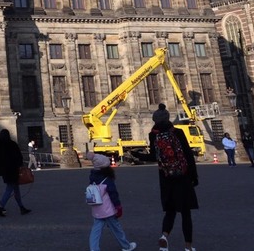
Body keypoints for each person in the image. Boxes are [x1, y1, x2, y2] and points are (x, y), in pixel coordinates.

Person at [148, 104, 198, 251]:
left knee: (170, 211)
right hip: (182, 176)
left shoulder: (153, 135)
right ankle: (188, 247)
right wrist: (194, 176)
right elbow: (188, 155)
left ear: (155, 120)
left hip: (166, 177)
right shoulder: (178, 132)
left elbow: (153, 156)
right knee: (185, 213)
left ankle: (164, 236)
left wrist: (137, 155)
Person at [84, 152, 137, 251]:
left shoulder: (92, 178)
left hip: (97, 209)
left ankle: (94, 249)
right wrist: (118, 206)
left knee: (96, 230)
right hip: (108, 209)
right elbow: (113, 194)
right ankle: (126, 246)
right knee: (117, 229)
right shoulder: (107, 179)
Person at [0, 128, 31, 217]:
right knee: (9, 189)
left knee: (16, 190)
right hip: (13, 170)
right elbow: (18, 156)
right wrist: (20, 165)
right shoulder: (12, 144)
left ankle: (21, 207)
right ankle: (0, 207)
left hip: (5, 170)